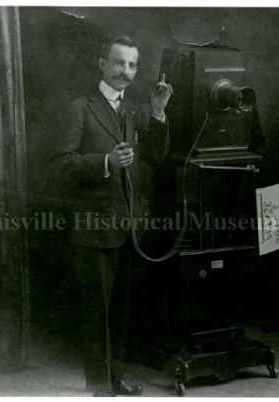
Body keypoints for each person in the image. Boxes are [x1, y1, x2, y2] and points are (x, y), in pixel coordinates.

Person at [50, 36, 173, 396]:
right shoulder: (80, 108)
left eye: (133, 65)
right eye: (119, 63)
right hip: (94, 229)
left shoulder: (132, 110)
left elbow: (155, 156)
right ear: (102, 63)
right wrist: (105, 162)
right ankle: (102, 388)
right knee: (98, 313)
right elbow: (58, 165)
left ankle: (115, 380)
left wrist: (158, 110)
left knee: (120, 312)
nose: (127, 72)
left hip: (126, 230)